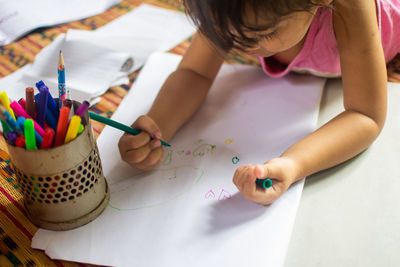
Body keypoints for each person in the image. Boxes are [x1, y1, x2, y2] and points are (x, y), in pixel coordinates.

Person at [118, 0, 400, 205]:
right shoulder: (226, 9)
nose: (243, 47)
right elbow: (195, 71)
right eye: (227, 35)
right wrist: (158, 125)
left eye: (264, 34)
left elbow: (366, 115)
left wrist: (293, 163)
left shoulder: (351, 8)